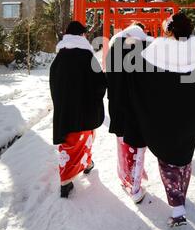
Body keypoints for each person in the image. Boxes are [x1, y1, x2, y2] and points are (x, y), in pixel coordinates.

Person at [125, 13, 195, 227]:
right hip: (190, 116)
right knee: (184, 158)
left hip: (162, 118)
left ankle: (177, 205)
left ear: (169, 30)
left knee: (168, 161)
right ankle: (181, 194)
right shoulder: (194, 53)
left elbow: (140, 82)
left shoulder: (155, 52)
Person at [50, 20, 107, 198]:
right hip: (85, 110)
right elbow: (100, 84)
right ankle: (69, 179)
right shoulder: (87, 56)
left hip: (65, 110)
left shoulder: (60, 57)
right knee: (85, 138)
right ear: (82, 35)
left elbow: (53, 83)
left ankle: (79, 170)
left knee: (68, 143)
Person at [106, 23, 153, 204]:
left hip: (118, 105)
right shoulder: (146, 49)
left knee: (122, 145)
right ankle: (135, 187)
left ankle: (124, 176)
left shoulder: (114, 48)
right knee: (137, 148)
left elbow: (109, 77)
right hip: (138, 108)